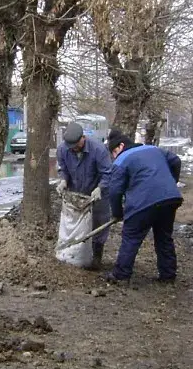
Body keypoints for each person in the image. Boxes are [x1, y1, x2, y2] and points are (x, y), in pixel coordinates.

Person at [103, 128, 182, 284]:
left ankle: (121, 275)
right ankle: (168, 275)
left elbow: (115, 191)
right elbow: (176, 160)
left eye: (112, 151)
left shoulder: (121, 160)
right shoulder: (153, 149)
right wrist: (171, 182)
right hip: (170, 198)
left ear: (120, 146)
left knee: (131, 237)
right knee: (164, 237)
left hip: (143, 202)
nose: (113, 156)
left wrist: (118, 213)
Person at [55, 121, 113, 269]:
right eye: (71, 146)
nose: (74, 148)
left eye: (76, 145)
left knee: (99, 223)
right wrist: (63, 181)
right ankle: (74, 254)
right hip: (77, 193)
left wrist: (100, 188)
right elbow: (63, 168)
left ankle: (97, 256)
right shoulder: (63, 149)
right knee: (76, 226)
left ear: (83, 137)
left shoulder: (98, 150)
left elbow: (107, 173)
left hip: (97, 193)